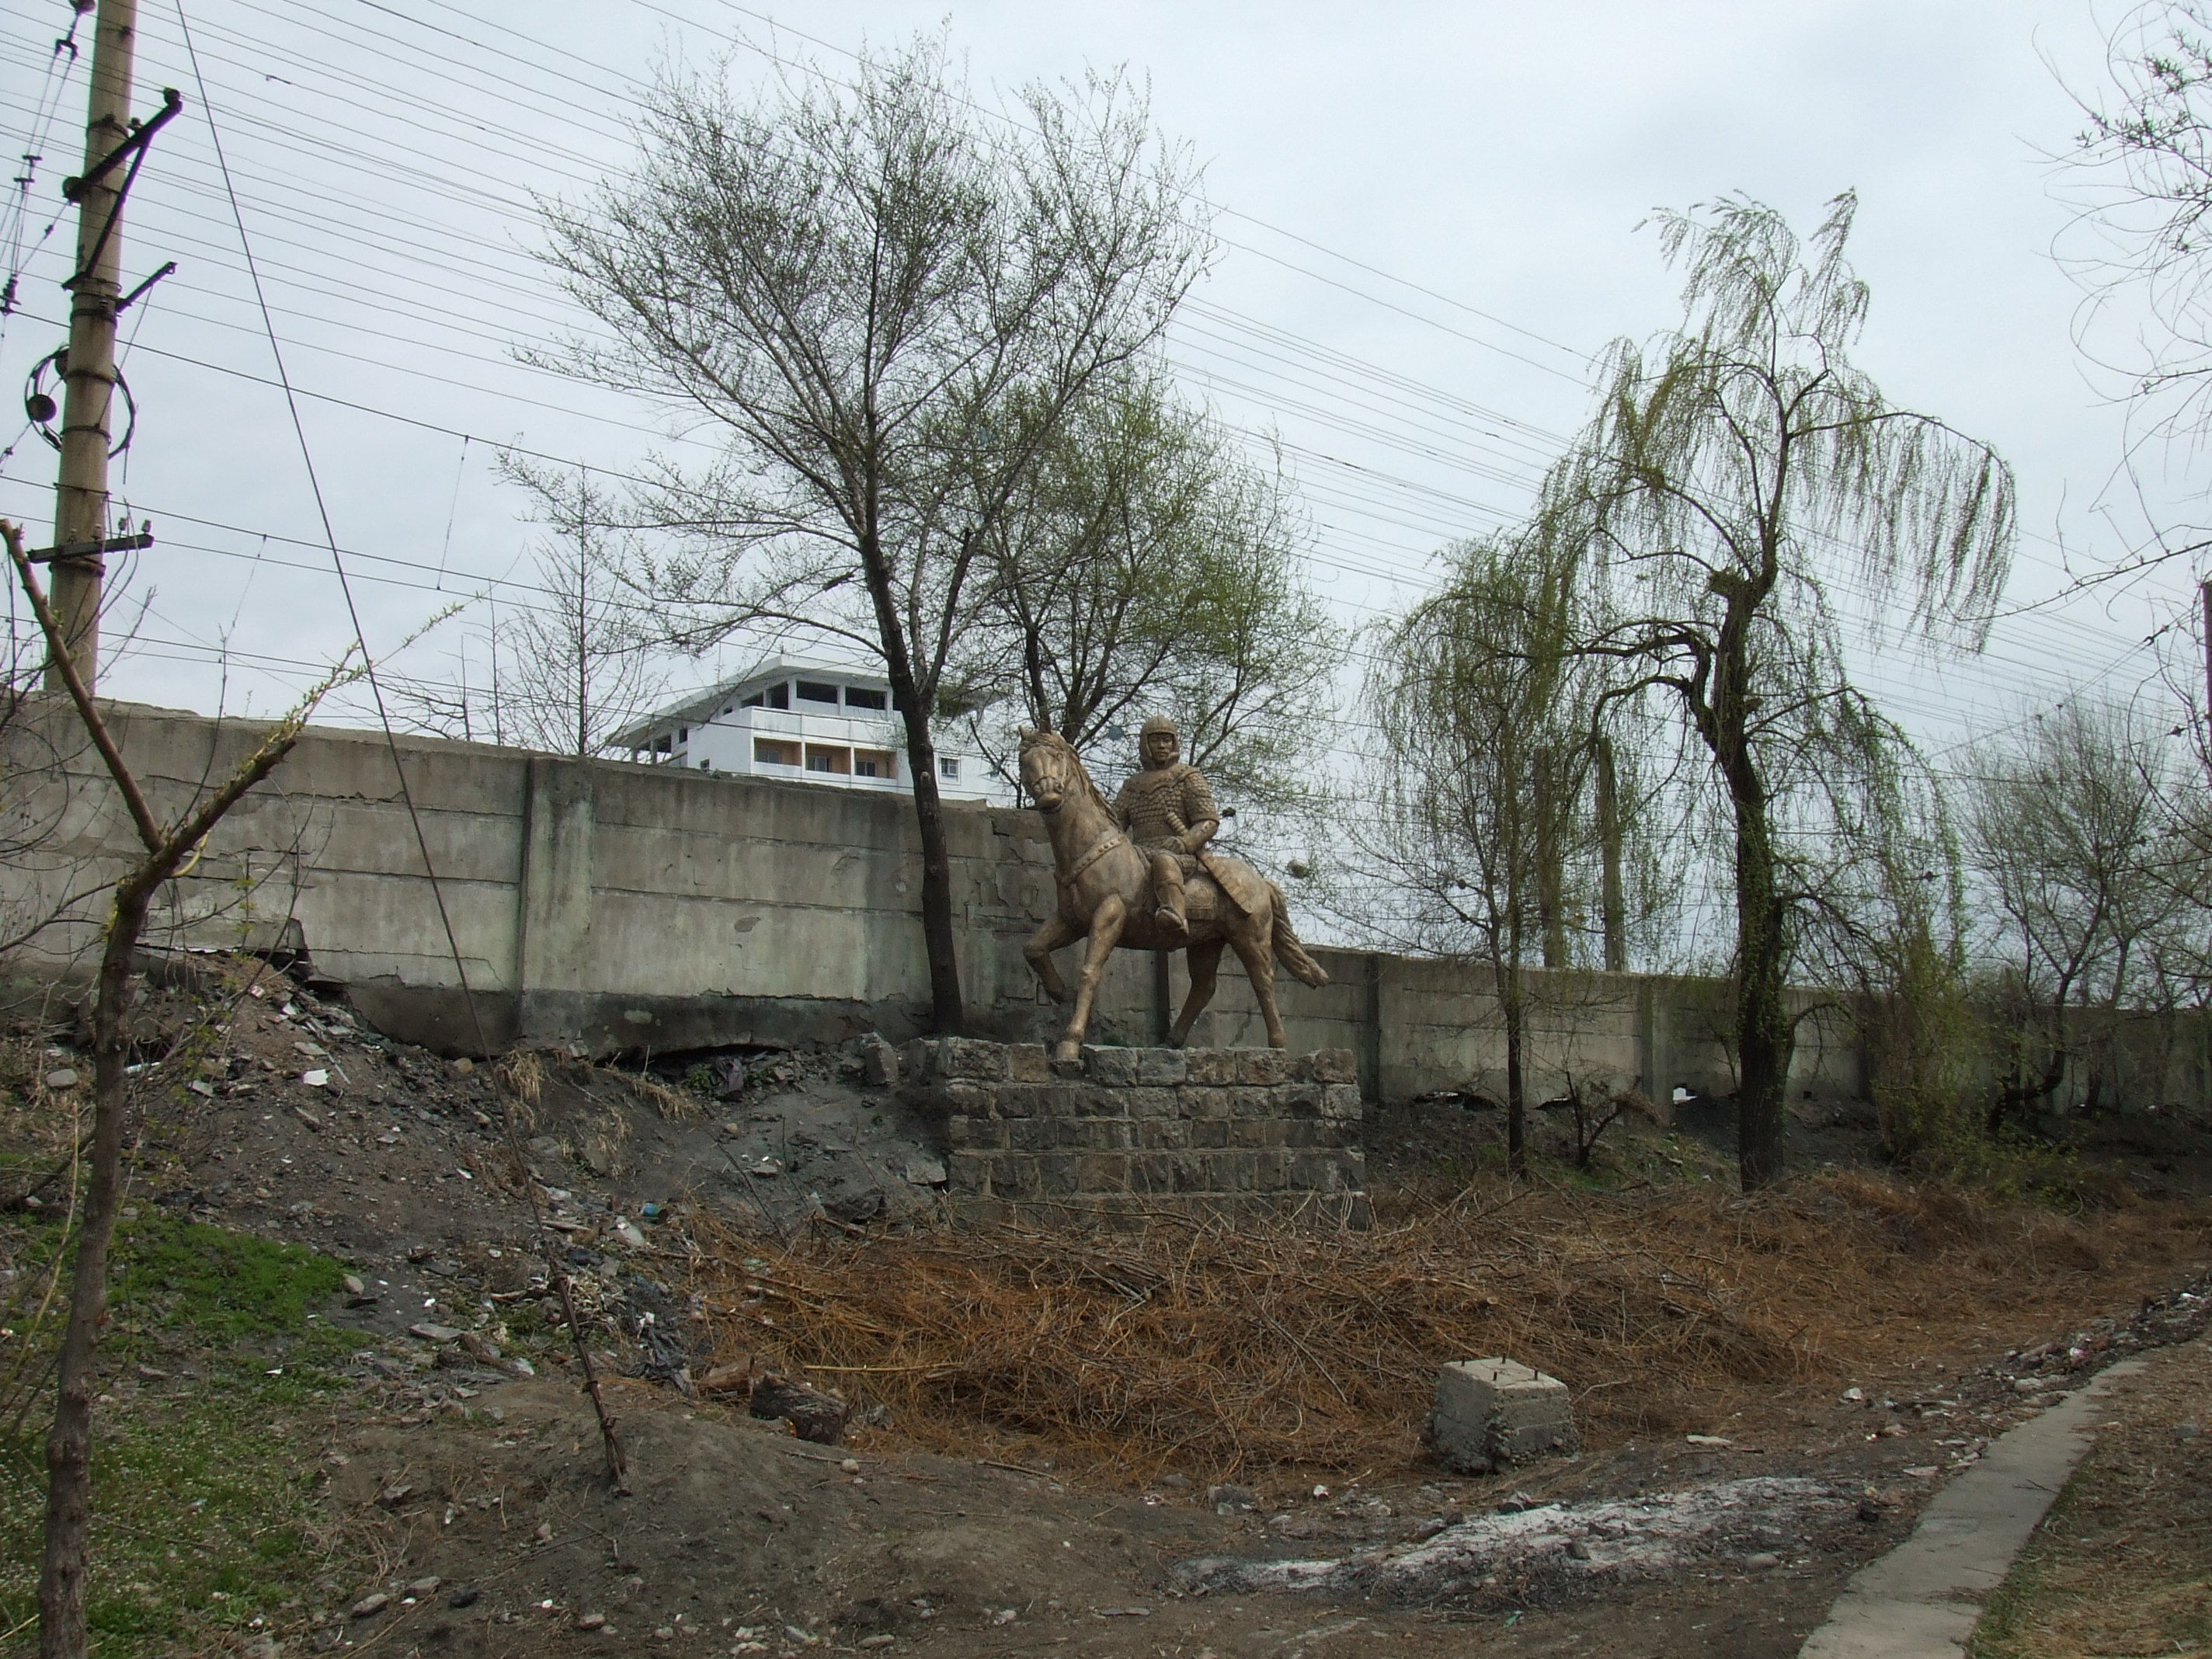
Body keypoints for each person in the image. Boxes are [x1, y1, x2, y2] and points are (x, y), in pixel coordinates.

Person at [1112, 715, 1219, 941]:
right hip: (1139, 854)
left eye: (1166, 740)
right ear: (1145, 744)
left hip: (1179, 856)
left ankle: (1175, 914)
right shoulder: (1132, 786)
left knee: (1164, 860)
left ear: (1174, 743)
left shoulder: (1187, 777)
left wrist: (1185, 842)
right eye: (1156, 741)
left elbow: (1208, 821)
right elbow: (1114, 826)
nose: (1162, 746)